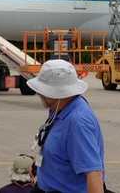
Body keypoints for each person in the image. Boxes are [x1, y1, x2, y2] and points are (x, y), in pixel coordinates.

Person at [26, 59, 105, 193]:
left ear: (56, 93)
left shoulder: (78, 122)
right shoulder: (59, 108)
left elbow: (94, 175)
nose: (39, 93)